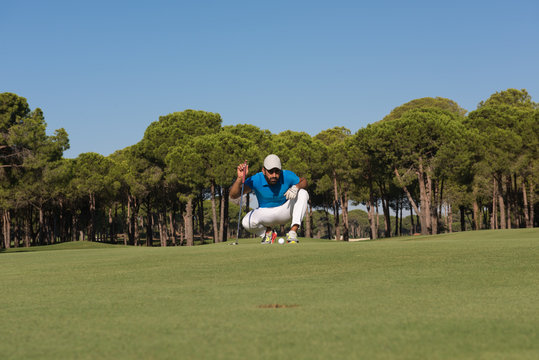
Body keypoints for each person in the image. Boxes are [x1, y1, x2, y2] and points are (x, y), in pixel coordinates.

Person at [230, 154, 309, 244]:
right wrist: (239, 178)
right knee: (246, 222)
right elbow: (233, 195)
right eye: (271, 172)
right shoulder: (256, 179)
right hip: (265, 213)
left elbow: (304, 181)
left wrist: (296, 187)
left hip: (285, 210)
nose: (274, 175)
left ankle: (293, 232)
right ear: (264, 170)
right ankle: (268, 234)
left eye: (277, 172)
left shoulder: (286, 175)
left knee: (303, 193)